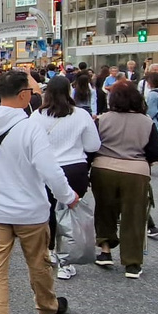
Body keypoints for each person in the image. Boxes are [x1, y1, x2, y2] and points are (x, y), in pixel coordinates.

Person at [0, 70, 80, 314]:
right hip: (29, 209)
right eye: (30, 92)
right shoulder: (31, 126)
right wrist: (68, 196)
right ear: (22, 95)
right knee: (39, 261)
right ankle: (46, 306)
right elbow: (49, 169)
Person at [91, 81, 158, 278]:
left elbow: (92, 146)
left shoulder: (102, 119)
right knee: (134, 216)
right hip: (136, 171)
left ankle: (105, 250)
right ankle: (132, 263)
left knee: (104, 210)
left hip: (103, 168)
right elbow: (153, 151)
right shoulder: (146, 122)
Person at [37, 76, 101, 279]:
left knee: (48, 212)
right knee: (67, 213)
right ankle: (66, 262)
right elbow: (93, 146)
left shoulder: (37, 116)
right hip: (74, 168)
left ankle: (49, 252)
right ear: (69, 91)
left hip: (45, 169)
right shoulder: (81, 115)